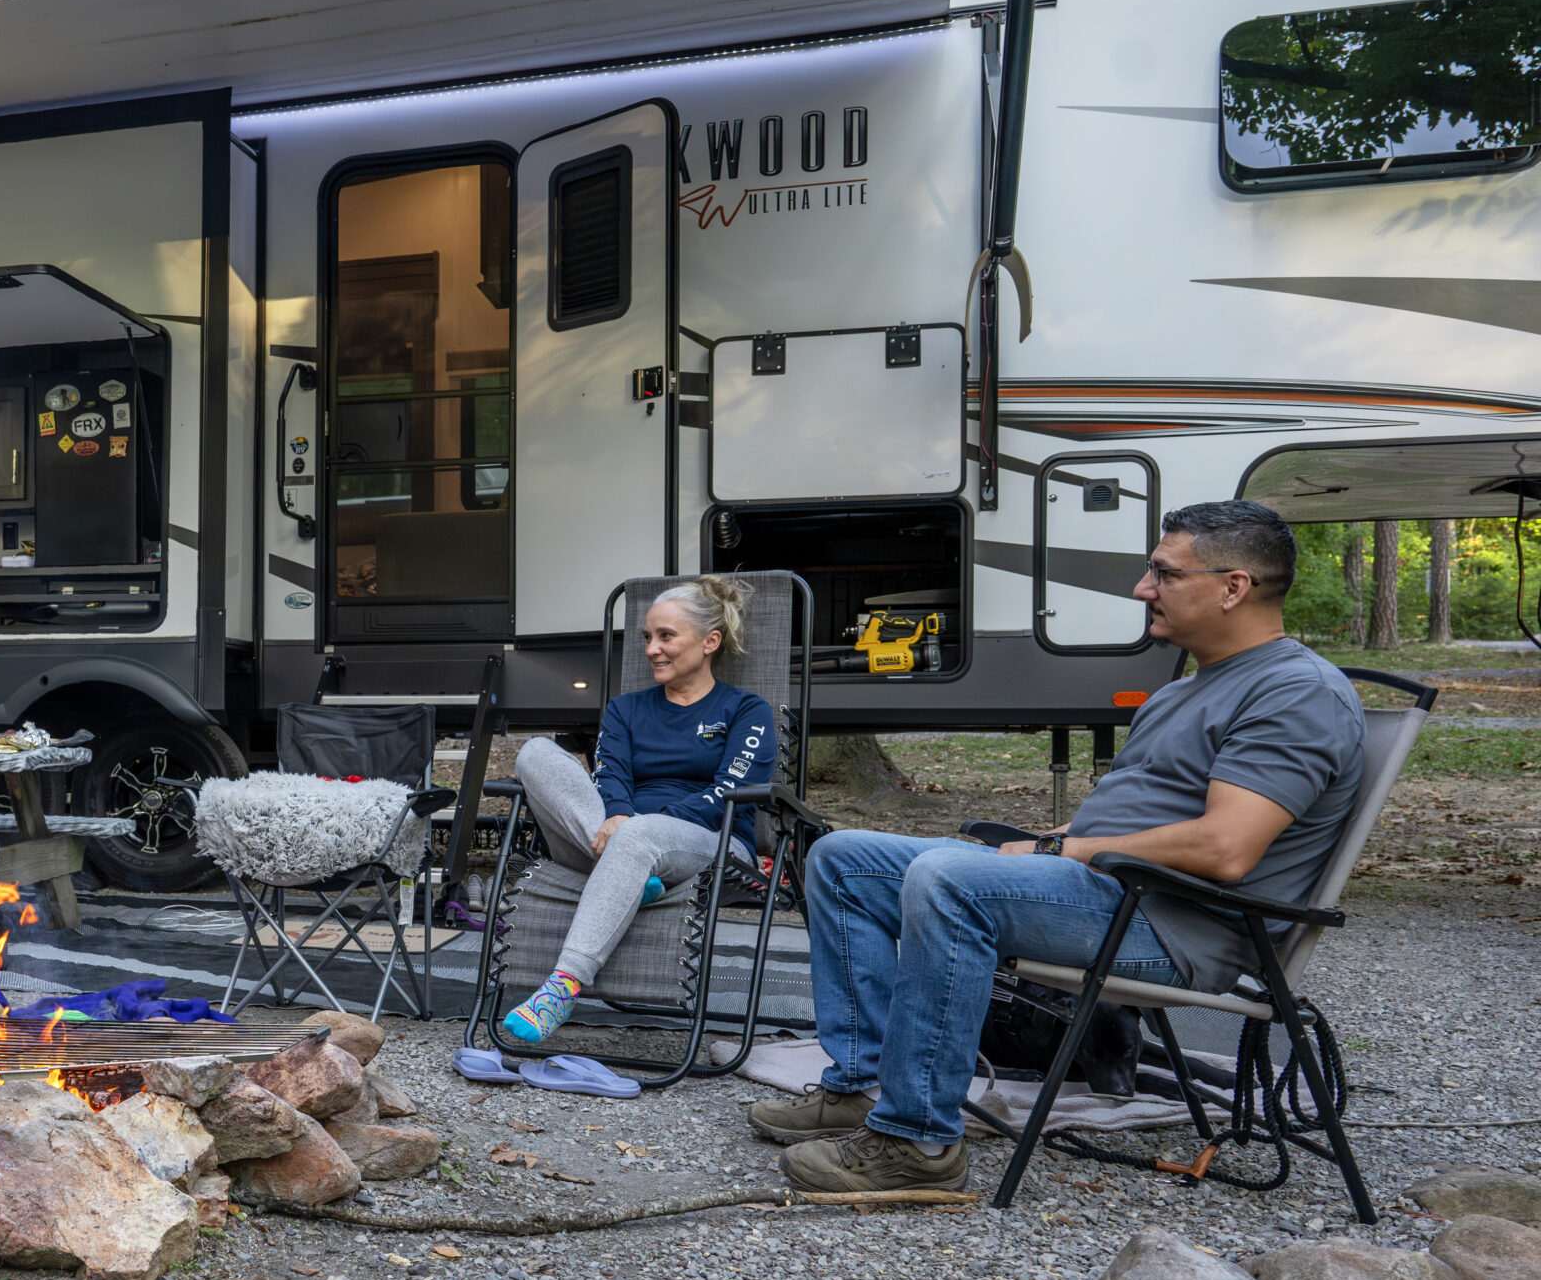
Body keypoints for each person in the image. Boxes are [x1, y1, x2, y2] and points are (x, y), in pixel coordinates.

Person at [759, 499, 1365, 1193]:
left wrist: (1065, 853)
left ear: (1234, 588)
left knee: (946, 879)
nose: (1143, 589)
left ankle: (919, 1141)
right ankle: (863, 1084)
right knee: (845, 861)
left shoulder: (1295, 692)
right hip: (1109, 890)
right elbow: (1139, 813)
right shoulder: (1185, 689)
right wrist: (1055, 841)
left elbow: (1227, 849)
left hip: (1174, 923)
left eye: (1164, 574)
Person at [502, 576, 777, 1046]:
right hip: (610, 836)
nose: (652, 649)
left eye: (666, 636)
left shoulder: (747, 710)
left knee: (638, 836)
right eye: (647, 637)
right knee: (534, 754)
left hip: (712, 844)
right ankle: (632, 877)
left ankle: (562, 985)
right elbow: (611, 776)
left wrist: (642, 826)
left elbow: (731, 788)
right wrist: (620, 818)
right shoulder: (625, 709)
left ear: (710, 642)